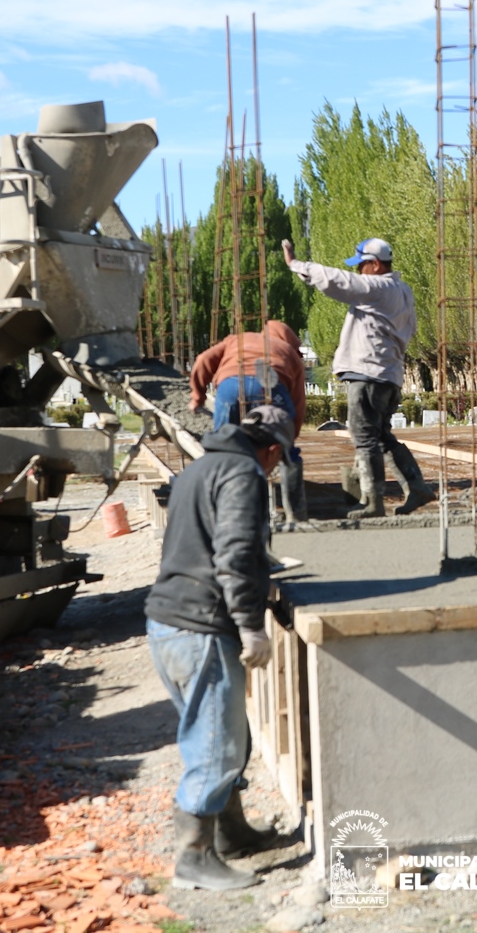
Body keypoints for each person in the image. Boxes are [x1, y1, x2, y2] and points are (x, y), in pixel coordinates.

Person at [145, 402, 294, 891]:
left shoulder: (201, 467)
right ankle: (193, 858)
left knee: (226, 735)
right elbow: (231, 554)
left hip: (167, 622)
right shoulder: (244, 473)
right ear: (271, 451)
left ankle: (230, 835)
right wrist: (250, 626)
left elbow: (208, 540)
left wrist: (262, 563)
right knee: (215, 748)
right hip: (201, 627)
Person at [282, 236, 435, 519]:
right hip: (388, 374)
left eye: (362, 265)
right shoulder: (403, 291)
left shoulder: (376, 287)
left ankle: (372, 502)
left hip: (367, 373)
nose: (358, 271)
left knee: (364, 436)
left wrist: (295, 264)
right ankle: (416, 486)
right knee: (381, 435)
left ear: (375, 265)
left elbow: (338, 281)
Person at [189, 321, 309, 520]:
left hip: (232, 387)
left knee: (222, 449)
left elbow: (203, 360)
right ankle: (296, 513)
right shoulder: (289, 351)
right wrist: (288, 439)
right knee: (287, 453)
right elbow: (298, 402)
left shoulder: (237, 340)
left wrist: (197, 397)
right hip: (272, 387)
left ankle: (221, 510)